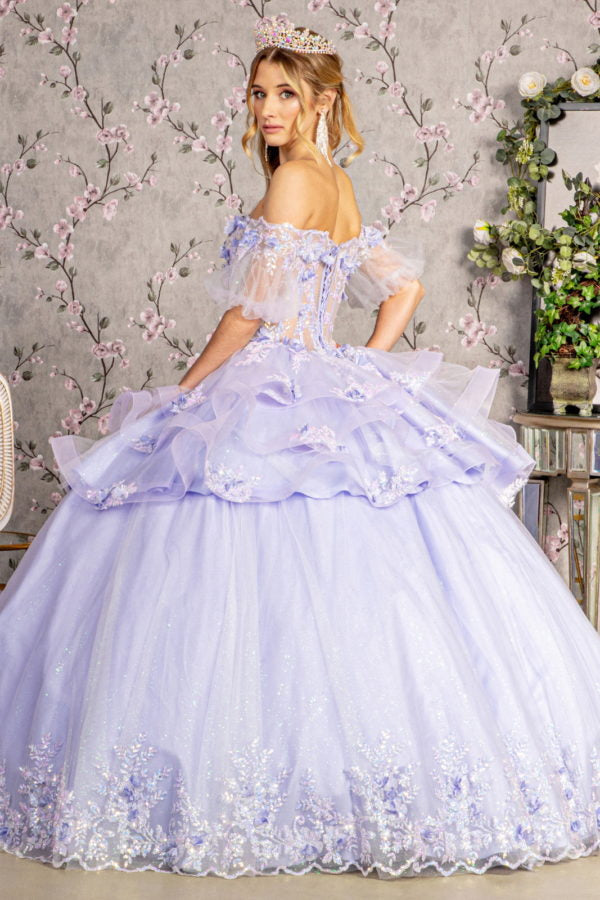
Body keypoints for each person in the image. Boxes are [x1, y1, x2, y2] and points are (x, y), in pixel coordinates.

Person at [1, 15, 600, 882]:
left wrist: (185, 393)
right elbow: (402, 288)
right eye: (257, 92)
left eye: (286, 92)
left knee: (228, 578)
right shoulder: (335, 182)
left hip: (267, 384)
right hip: (314, 375)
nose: (267, 108)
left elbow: (250, 315)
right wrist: (360, 367)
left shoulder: (291, 183)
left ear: (323, 100)